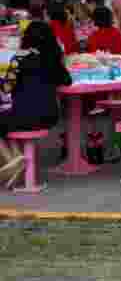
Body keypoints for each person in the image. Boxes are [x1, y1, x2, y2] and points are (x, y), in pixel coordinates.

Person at [0, 22, 72, 189]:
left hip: (25, 115)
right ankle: (17, 159)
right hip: (50, 115)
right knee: (6, 122)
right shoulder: (52, 58)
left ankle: (11, 160)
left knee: (5, 120)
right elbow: (67, 81)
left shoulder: (20, 57)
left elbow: (6, 88)